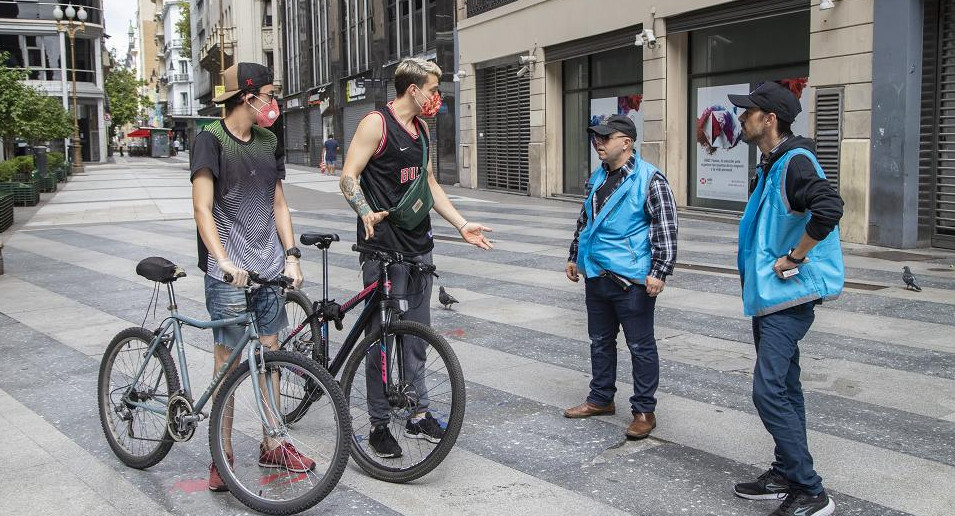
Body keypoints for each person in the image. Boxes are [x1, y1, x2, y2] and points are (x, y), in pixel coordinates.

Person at [339, 57, 493, 458]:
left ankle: (417, 412)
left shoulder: (422, 129)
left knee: (416, 340)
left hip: (418, 248)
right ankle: (376, 424)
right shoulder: (376, 124)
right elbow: (348, 175)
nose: (435, 97)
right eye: (432, 89)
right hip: (383, 249)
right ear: (413, 90)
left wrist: (461, 225)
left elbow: (428, 183)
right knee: (381, 340)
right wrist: (363, 210)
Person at [190, 62, 311, 492]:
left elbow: (278, 203)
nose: (274, 103)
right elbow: (203, 207)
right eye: (270, 94)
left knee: (271, 355)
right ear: (248, 95)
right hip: (229, 272)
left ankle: (273, 442)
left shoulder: (268, 141)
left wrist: (291, 255)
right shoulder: (210, 140)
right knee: (228, 363)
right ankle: (220, 457)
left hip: (267, 266)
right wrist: (221, 260)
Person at [729, 81, 843, 516]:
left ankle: (811, 492)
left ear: (769, 119)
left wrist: (795, 256)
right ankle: (786, 472)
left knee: (769, 391)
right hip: (770, 296)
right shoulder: (773, 162)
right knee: (786, 387)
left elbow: (830, 208)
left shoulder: (796, 162)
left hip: (788, 298)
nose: (741, 119)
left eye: (747, 112)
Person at [562, 114, 678, 441]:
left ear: (625, 142)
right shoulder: (597, 177)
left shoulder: (650, 179)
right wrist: (575, 256)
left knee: (640, 346)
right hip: (597, 273)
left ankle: (644, 410)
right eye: (596, 137)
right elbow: (585, 219)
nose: (598, 143)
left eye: (605, 137)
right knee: (600, 342)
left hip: (631, 280)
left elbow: (665, 227)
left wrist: (660, 270)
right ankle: (601, 399)